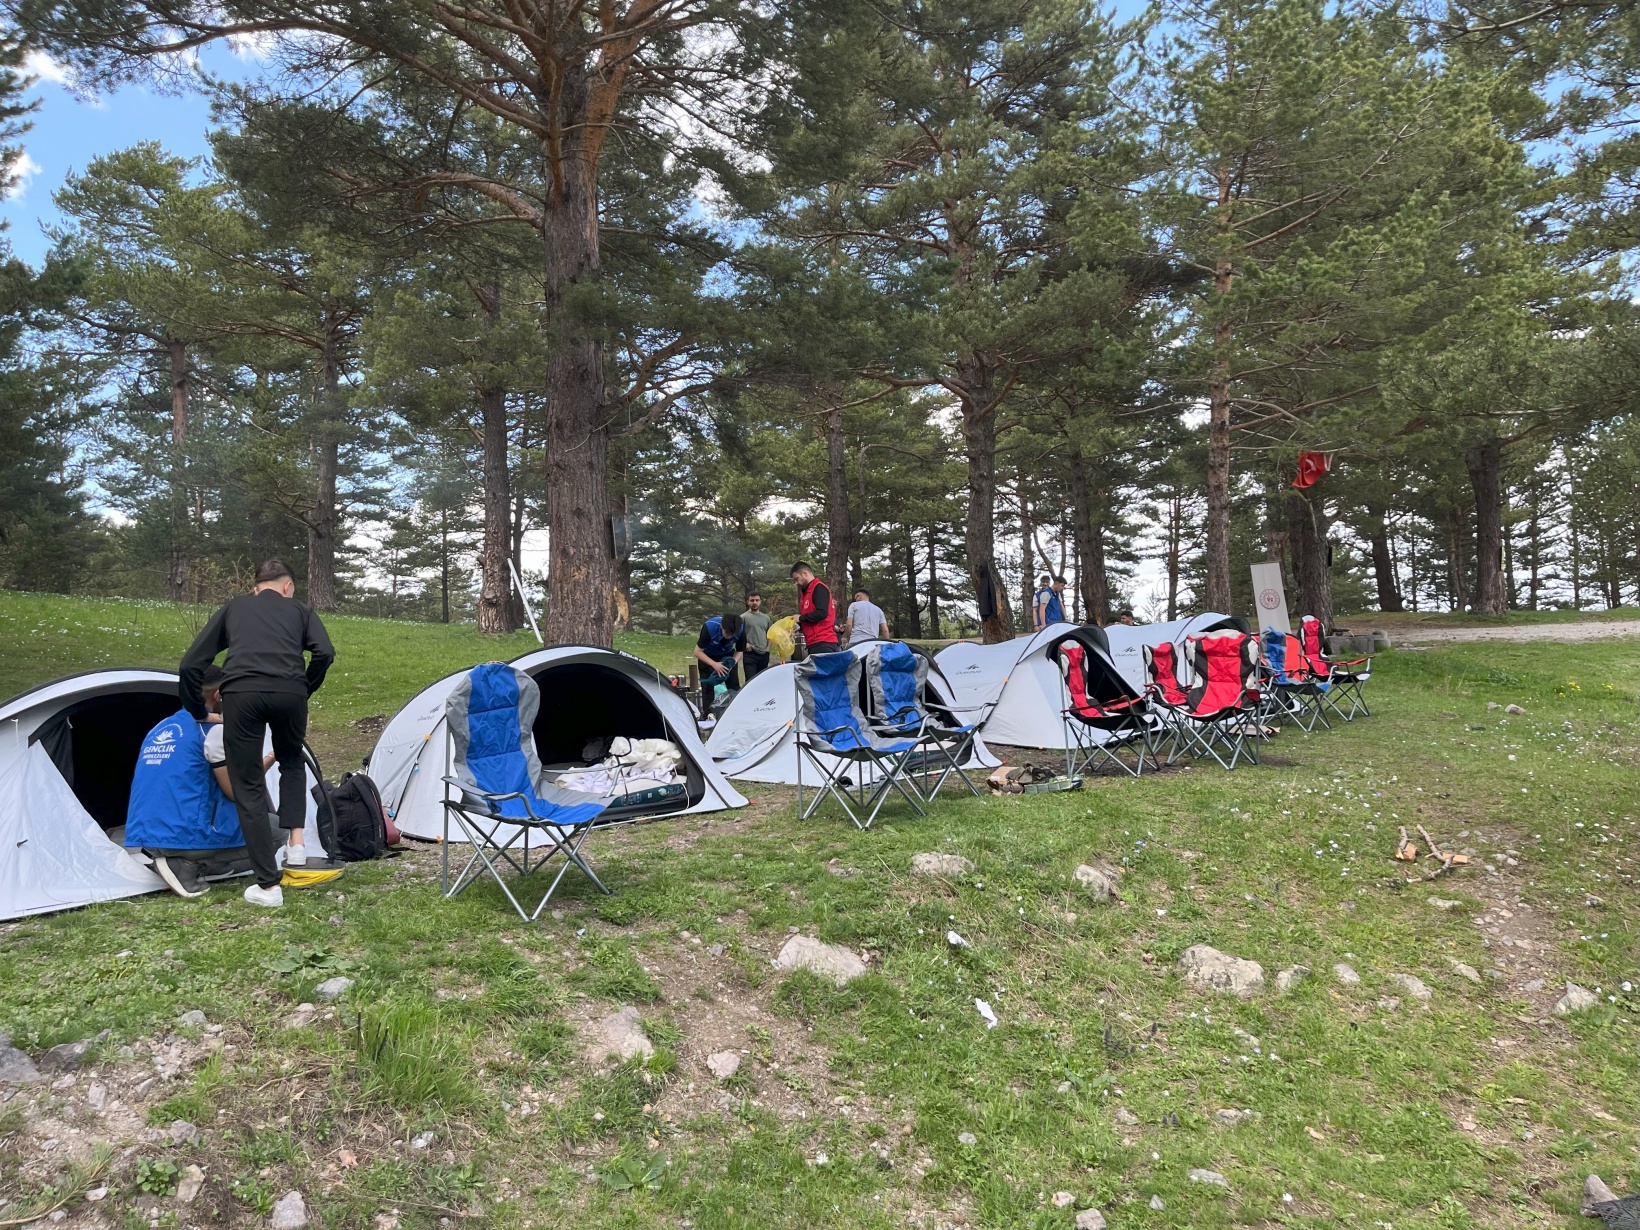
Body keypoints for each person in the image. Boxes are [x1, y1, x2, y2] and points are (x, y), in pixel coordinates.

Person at [179, 559, 335, 909]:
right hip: (290, 693)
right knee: (291, 761)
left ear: (255, 588)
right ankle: (296, 845)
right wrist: (303, 687)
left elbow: (191, 664)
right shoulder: (301, 610)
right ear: (287, 587)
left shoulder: (235, 608)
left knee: (248, 785)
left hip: (242, 695)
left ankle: (267, 886)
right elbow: (324, 653)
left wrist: (198, 710)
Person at [125, 666, 257, 900]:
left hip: (143, 836)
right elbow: (237, 791)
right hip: (183, 834)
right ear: (218, 695)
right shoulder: (213, 731)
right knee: (274, 830)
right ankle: (188, 863)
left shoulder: (160, 727)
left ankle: (183, 860)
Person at [694, 611, 745, 718]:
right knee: (707, 687)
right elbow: (697, 652)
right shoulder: (710, 627)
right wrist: (714, 664)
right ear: (722, 626)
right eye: (727, 633)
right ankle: (708, 715)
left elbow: (740, 650)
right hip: (707, 655)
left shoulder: (740, 629)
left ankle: (737, 712)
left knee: (734, 685)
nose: (729, 637)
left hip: (727, 656)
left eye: (732, 635)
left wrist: (732, 663)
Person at [790, 561, 840, 655]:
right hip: (814, 642)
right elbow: (810, 619)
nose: (796, 583)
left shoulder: (819, 588)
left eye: (797, 579)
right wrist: (797, 625)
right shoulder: (805, 593)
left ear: (805, 573)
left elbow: (822, 613)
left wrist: (800, 618)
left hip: (823, 642)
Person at [740, 592, 773, 681]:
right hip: (750, 653)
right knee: (751, 681)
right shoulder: (743, 617)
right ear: (748, 602)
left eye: (757, 600)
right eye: (752, 600)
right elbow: (738, 634)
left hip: (764, 653)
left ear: (760, 601)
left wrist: (768, 649)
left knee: (762, 681)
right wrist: (745, 643)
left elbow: (770, 634)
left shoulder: (766, 618)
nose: (754, 602)